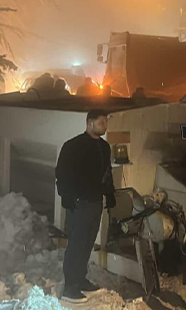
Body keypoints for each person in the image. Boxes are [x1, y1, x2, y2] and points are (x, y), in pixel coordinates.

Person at [54, 109, 117, 303]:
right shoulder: (73, 146)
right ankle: (70, 287)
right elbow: (62, 173)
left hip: (95, 202)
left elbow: (107, 173)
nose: (105, 126)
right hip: (79, 203)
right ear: (90, 123)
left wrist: (110, 193)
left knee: (88, 242)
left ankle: (80, 280)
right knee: (76, 244)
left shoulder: (104, 147)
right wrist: (66, 196)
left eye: (106, 122)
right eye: (101, 123)